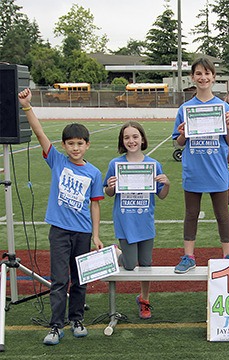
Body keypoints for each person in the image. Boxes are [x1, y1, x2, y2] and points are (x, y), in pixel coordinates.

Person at [17, 88, 104, 345]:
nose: (75, 148)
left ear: (87, 145)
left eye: (80, 143)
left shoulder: (94, 173)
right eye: (71, 143)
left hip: (83, 233)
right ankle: (56, 326)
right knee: (59, 280)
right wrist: (26, 106)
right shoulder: (56, 161)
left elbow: (95, 205)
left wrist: (96, 235)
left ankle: (76, 319)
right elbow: (40, 133)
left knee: (79, 279)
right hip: (59, 231)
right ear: (64, 145)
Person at [172, 57, 229, 273]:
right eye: (199, 73)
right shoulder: (185, 108)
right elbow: (178, 142)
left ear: (214, 77)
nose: (203, 77)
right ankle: (189, 256)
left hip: (217, 169)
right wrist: (182, 133)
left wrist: (228, 126)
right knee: (191, 214)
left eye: (207, 73)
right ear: (192, 77)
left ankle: (227, 255)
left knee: (222, 215)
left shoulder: (223, 107)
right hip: (194, 170)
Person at [104, 121, 170, 319]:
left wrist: (166, 183)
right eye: (127, 137)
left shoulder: (153, 165)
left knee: (146, 265)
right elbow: (107, 192)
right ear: (122, 141)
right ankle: (117, 252)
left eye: (135, 136)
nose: (131, 141)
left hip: (145, 223)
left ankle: (144, 299)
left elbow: (162, 195)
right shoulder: (115, 164)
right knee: (131, 265)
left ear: (142, 139)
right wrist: (110, 186)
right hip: (125, 222)